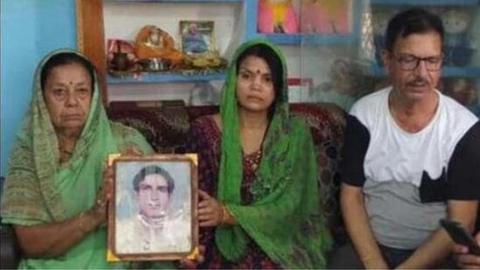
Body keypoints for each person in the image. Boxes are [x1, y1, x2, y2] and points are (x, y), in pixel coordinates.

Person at [0, 50, 200, 268]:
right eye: (59, 92)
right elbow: (30, 243)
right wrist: (94, 217)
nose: (72, 102)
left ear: (94, 97)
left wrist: (179, 248)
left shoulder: (126, 142)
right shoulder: (29, 153)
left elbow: (161, 220)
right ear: (42, 97)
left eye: (82, 91)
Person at [331, 8, 480, 269]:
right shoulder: (364, 115)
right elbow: (351, 196)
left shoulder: (463, 129)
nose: (422, 73)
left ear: (442, 62)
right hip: (370, 248)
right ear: (387, 59)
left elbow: (461, 221)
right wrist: (374, 263)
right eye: (409, 60)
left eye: (432, 61)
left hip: (436, 255)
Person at [185, 39, 331, 269]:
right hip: (220, 242)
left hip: (279, 241)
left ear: (279, 88)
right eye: (247, 76)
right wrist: (191, 247)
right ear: (234, 80)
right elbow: (194, 201)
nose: (256, 85)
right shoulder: (204, 131)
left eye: (267, 79)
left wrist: (228, 214)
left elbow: (293, 205)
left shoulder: (294, 135)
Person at [117, 165, 190, 254]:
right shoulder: (121, 233)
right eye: (146, 189)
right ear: (136, 195)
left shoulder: (183, 234)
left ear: (170, 197)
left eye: (161, 189)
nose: (154, 197)